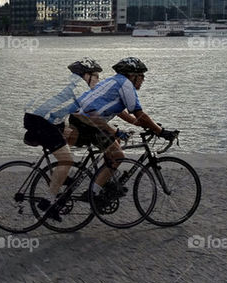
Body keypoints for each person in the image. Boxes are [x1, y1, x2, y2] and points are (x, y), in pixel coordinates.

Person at [70, 56, 177, 196]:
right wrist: (161, 131)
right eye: (141, 76)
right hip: (88, 123)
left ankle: (103, 180)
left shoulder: (114, 80)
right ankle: (93, 193)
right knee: (118, 155)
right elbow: (139, 113)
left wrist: (138, 123)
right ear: (132, 76)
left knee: (117, 142)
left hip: (82, 119)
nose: (143, 79)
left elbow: (120, 110)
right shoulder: (126, 84)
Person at [23, 58, 103, 215]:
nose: (98, 79)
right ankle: (48, 202)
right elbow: (89, 112)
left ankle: (62, 177)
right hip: (42, 121)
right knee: (67, 160)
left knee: (68, 133)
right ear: (86, 75)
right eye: (96, 75)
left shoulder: (68, 81)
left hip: (40, 118)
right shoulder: (80, 86)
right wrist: (108, 129)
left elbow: (73, 111)